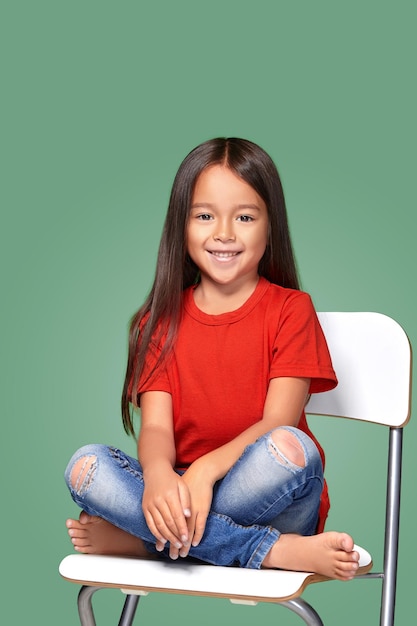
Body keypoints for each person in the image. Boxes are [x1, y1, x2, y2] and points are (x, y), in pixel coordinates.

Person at [65, 137, 360, 580]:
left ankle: (146, 540)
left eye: (244, 217)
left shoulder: (291, 309)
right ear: (180, 226)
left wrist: (203, 472)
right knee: (85, 467)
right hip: (184, 495)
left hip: (270, 499)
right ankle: (273, 552)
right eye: (205, 216)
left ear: (269, 226)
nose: (224, 233)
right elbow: (158, 427)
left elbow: (277, 421)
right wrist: (162, 476)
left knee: (290, 449)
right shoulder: (157, 323)